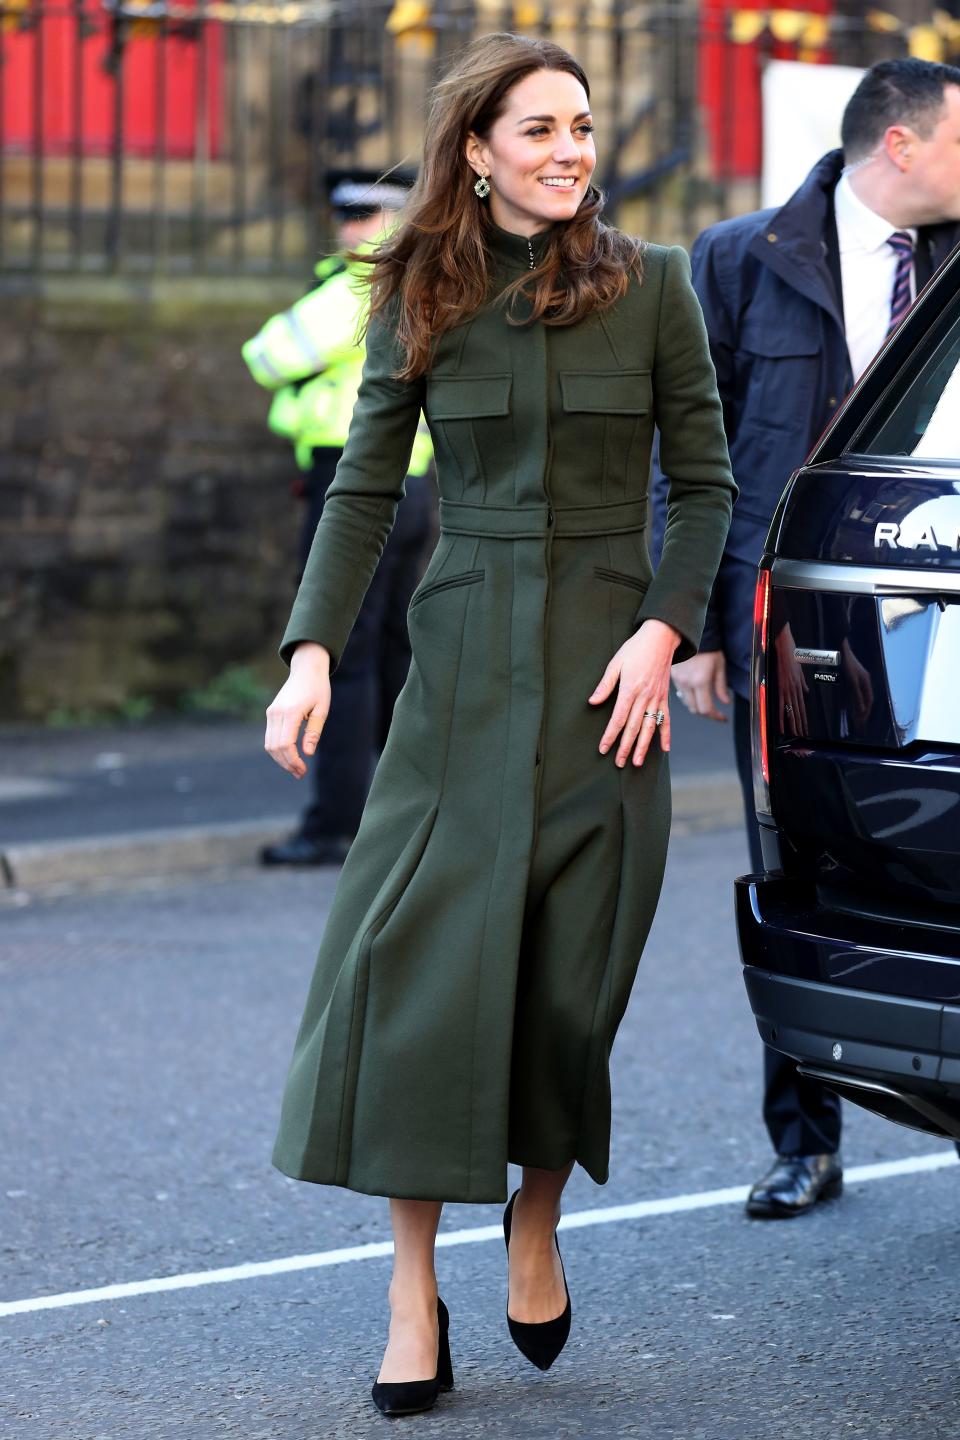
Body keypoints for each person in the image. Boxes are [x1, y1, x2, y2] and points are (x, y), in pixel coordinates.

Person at [264, 32, 735, 1417]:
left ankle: (533, 1219)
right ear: (475, 150)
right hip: (459, 670)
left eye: (581, 128)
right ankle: (413, 1291)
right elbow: (360, 488)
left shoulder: (656, 287)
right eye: (537, 130)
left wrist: (664, 631)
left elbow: (702, 485)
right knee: (422, 984)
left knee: (566, 985)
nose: (568, 152)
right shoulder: (421, 286)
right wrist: (307, 656)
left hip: (610, 684)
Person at [667, 58, 960, 1219]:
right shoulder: (741, 258)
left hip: (930, 576)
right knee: (801, 865)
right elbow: (688, 455)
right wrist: (691, 630)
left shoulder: (955, 256)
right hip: (796, 611)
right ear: (901, 143)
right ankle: (805, 1140)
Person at [244, 171, 435, 866]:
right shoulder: (420, 280)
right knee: (386, 655)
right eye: (343, 213)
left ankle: (335, 825)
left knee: (341, 658)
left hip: (350, 485)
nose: (349, 227)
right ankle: (407, 809)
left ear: (396, 216)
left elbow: (271, 353)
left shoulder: (361, 285)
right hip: (413, 485)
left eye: (365, 213)